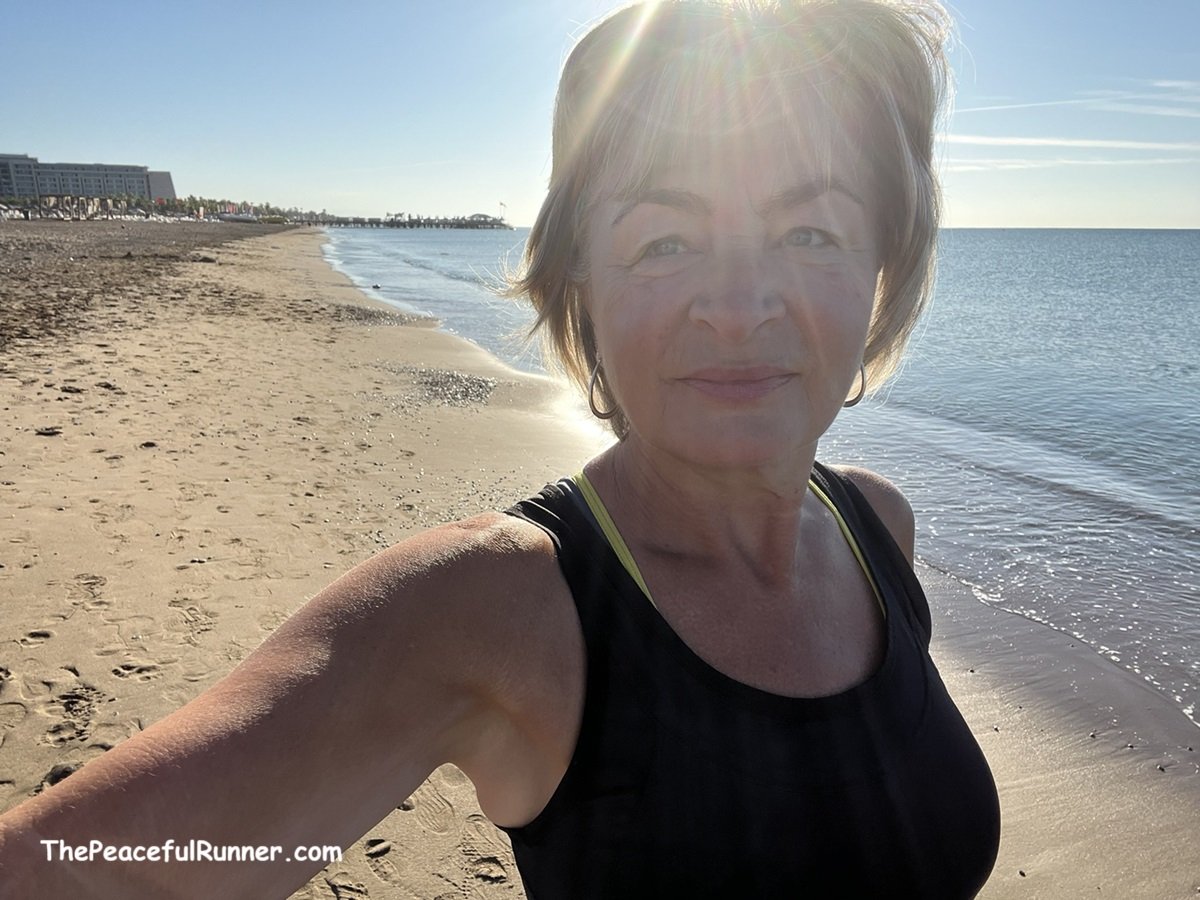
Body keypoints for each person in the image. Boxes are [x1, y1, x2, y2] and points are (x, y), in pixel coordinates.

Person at [0, 0, 1000, 896]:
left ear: (884, 267)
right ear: (583, 288)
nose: (738, 307)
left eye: (811, 233)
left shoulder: (876, 527)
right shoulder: (503, 605)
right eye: (665, 242)